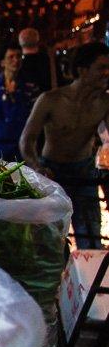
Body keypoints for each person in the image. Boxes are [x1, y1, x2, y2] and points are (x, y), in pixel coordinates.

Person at [20, 42, 109, 249]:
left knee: (91, 235)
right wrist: (37, 167)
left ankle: (87, 278)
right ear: (82, 70)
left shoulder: (104, 103)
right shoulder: (51, 100)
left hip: (85, 172)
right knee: (49, 238)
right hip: (52, 172)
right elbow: (27, 139)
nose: (106, 73)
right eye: (102, 68)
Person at [0, 43, 39, 161]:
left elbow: (36, 120)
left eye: (19, 56)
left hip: (20, 149)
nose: (16, 60)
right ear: (2, 62)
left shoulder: (30, 88)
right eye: (11, 57)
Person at [18, 28, 54, 93]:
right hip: (50, 101)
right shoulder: (50, 61)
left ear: (20, 43)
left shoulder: (17, 64)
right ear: (38, 41)